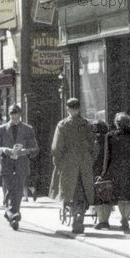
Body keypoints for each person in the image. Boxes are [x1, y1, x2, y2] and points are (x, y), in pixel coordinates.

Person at [49, 98, 94, 234]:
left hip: (68, 164)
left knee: (71, 191)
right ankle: (80, 213)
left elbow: (57, 147)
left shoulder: (63, 125)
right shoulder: (86, 124)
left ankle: (76, 216)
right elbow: (93, 145)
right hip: (84, 164)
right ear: (79, 109)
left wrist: (57, 162)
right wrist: (90, 159)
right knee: (83, 190)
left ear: (67, 109)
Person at [0, 104, 39, 230]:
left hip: (21, 164)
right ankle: (13, 213)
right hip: (6, 164)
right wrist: (5, 150)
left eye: (17, 113)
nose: (14, 116)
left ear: (20, 114)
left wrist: (25, 151)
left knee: (18, 190)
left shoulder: (28, 129)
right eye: (12, 113)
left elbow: (35, 148)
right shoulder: (1, 129)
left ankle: (12, 214)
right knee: (9, 189)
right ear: (9, 115)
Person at [96, 112, 130, 232]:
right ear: (129, 123)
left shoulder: (111, 136)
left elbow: (107, 157)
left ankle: (105, 221)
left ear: (116, 123)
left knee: (118, 197)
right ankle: (125, 219)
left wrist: (104, 173)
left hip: (116, 171)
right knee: (129, 197)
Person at [90, 120, 111, 229]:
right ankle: (105, 220)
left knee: (98, 196)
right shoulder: (110, 139)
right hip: (107, 170)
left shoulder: (96, 141)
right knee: (106, 196)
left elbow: (94, 157)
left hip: (96, 171)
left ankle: (101, 220)